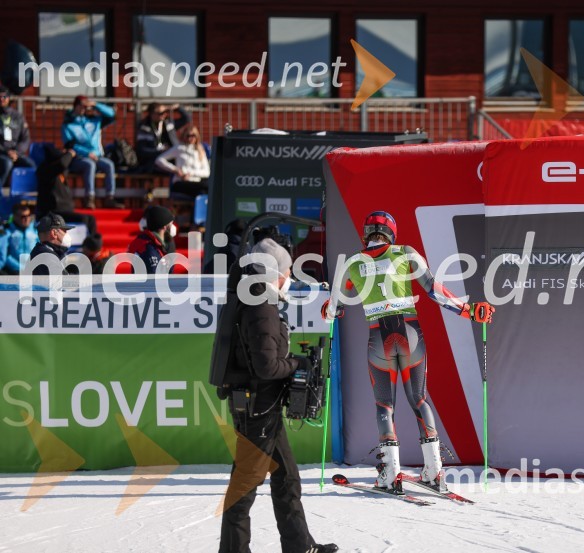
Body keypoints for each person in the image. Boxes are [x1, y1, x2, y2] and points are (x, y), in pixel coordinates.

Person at [322, 211, 494, 493]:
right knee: (419, 398)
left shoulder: (352, 262)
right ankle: (434, 472)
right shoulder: (406, 252)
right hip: (410, 332)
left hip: (379, 335)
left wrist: (330, 311)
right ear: (392, 232)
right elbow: (434, 291)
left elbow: (332, 310)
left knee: (384, 405)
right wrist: (470, 311)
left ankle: (390, 474)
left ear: (366, 233)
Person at [218, 238, 337, 553]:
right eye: (285, 271)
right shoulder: (260, 306)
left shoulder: (256, 299)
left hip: (261, 406)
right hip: (258, 406)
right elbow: (267, 366)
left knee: (287, 478)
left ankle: (300, 546)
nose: (289, 278)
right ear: (274, 273)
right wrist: (298, 363)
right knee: (245, 486)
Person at [62, 95, 123, 209]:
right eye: (80, 106)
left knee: (109, 164)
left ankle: (110, 198)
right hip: (79, 158)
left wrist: (95, 104)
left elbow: (112, 115)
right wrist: (87, 154)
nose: (83, 109)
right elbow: (70, 145)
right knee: (89, 165)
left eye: (85, 106)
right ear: (75, 106)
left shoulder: (94, 120)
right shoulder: (68, 124)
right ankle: (89, 198)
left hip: (97, 156)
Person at [35, 143, 97, 234]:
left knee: (90, 219)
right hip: (52, 211)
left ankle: (93, 246)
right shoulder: (46, 169)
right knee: (85, 220)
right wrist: (70, 153)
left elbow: (64, 165)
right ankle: (87, 245)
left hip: (64, 211)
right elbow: (62, 164)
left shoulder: (60, 172)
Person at [155, 124, 210, 198]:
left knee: (204, 191)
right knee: (206, 187)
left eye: (193, 135)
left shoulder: (200, 150)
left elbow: (206, 172)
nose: (190, 138)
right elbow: (159, 160)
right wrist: (175, 170)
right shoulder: (179, 148)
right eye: (188, 136)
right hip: (181, 182)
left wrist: (190, 173)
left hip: (196, 182)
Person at [135, 102, 191, 173]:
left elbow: (187, 118)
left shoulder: (168, 123)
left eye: (165, 112)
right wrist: (159, 151)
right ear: (152, 114)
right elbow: (142, 150)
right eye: (160, 113)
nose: (164, 114)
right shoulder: (145, 127)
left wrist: (177, 107)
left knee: (185, 164)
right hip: (154, 160)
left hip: (171, 157)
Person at [0, 84, 35, 187]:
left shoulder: (17, 116)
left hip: (16, 153)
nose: (2, 99)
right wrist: (6, 152)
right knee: (7, 164)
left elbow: (25, 138)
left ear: (8, 98)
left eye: (4, 96)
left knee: (30, 165)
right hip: (2, 153)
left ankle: (27, 192)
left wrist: (16, 152)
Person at [127, 205, 175, 274]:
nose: (173, 226)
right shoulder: (149, 249)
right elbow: (153, 280)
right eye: (171, 223)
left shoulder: (162, 244)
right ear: (164, 227)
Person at [27, 213, 72, 277]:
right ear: (54, 233)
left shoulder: (42, 251)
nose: (67, 234)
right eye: (64, 231)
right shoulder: (47, 256)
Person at [2, 201, 38, 275]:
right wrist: (21, 268)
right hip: (14, 271)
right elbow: (4, 255)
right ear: (15, 216)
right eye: (23, 217)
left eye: (29, 215)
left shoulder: (36, 230)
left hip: (33, 269)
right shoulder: (7, 231)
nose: (27, 219)